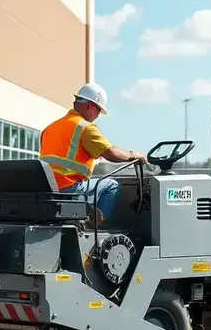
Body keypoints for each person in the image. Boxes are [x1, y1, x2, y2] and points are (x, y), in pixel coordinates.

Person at [39, 82, 148, 225]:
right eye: (98, 111)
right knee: (111, 185)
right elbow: (111, 153)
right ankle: (93, 224)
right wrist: (133, 155)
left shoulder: (50, 128)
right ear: (90, 106)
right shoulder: (85, 128)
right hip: (70, 188)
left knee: (93, 182)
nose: (98, 115)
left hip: (47, 189)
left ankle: (88, 213)